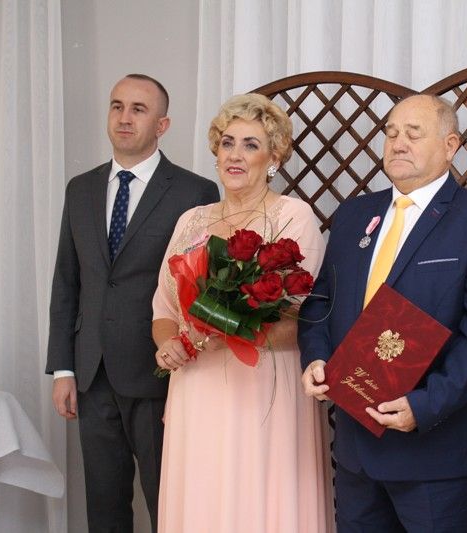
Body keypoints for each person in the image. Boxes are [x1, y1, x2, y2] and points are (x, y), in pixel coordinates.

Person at [299, 94, 467, 531]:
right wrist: (316, 358)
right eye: (391, 133)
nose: (398, 143)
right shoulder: (353, 214)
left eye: (413, 134)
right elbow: (321, 301)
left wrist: (424, 405)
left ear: (450, 145)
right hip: (357, 452)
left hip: (436, 452)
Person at [151, 93, 333, 532]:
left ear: (274, 158)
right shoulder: (191, 220)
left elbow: (304, 320)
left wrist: (231, 331)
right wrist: (167, 344)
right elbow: (163, 307)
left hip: (261, 391)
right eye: (227, 143)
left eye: (251, 145)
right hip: (195, 387)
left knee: (256, 503)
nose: (235, 154)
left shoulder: (293, 217)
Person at [46, 74, 219, 531]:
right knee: (104, 507)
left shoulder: (194, 192)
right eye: (117, 106)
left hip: (160, 371)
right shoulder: (80, 188)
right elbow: (67, 281)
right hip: (92, 373)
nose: (124, 117)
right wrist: (63, 369)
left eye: (138, 109)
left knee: (169, 505)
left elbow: (201, 289)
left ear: (162, 124)